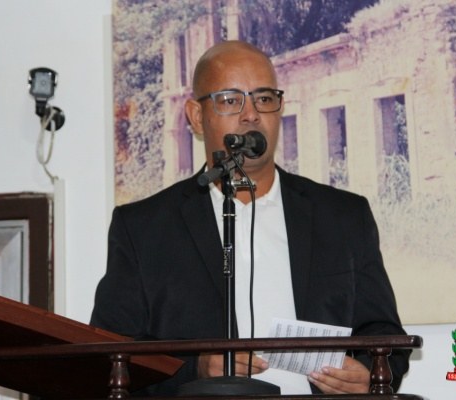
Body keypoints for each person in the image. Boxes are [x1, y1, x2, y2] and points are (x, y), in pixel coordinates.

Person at [90, 40, 410, 396]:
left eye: (264, 98)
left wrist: (368, 373)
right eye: (231, 100)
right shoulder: (143, 227)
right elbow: (112, 353)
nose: (251, 114)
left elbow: (385, 337)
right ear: (196, 116)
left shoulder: (343, 217)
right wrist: (194, 368)